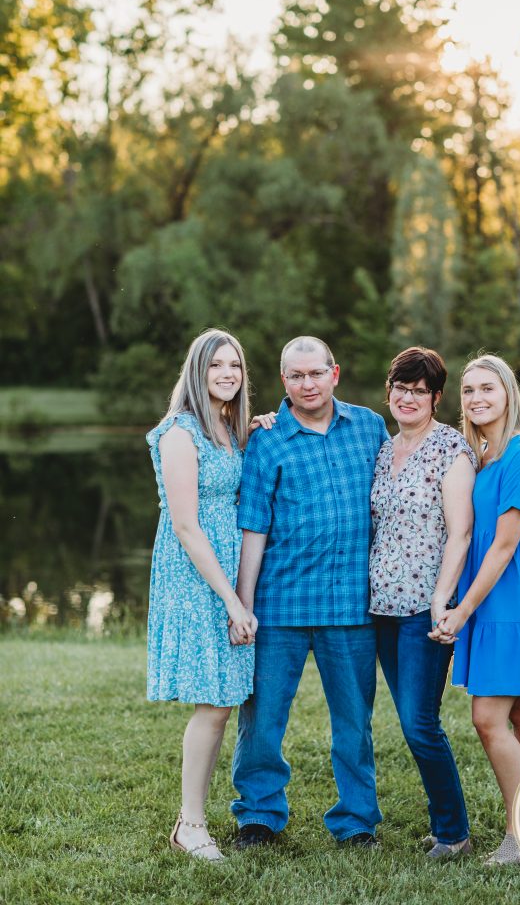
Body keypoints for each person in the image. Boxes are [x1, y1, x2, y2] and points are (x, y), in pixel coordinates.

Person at [231, 335, 390, 848]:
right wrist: (244, 604)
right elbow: (253, 527)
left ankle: (356, 820)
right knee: (262, 720)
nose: (307, 384)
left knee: (354, 724)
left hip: (351, 606)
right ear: (284, 382)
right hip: (280, 604)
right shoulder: (267, 439)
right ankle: (258, 813)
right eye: (296, 376)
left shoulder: (369, 427)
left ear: (334, 373)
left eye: (315, 374)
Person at [430, 354, 520, 866]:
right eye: (468, 391)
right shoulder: (484, 454)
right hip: (497, 598)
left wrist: (462, 608)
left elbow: (505, 546)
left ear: (508, 393)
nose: (476, 399)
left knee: (489, 717)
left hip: (515, 598)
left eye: (487, 389)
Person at [146, 328, 272, 862]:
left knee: (222, 700)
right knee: (215, 702)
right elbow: (186, 526)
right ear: (196, 372)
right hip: (197, 576)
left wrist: (253, 430)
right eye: (216, 365)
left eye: (235, 366)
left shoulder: (224, 427)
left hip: (224, 574)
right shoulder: (180, 431)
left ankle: (192, 820)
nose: (227, 374)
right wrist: (232, 600)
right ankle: (190, 825)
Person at [369, 347, 477, 860]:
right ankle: (445, 825)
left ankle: (454, 833)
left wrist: (441, 600)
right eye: (400, 388)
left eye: (419, 390)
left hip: (424, 610)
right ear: (389, 391)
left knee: (419, 722)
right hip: (381, 609)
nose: (407, 397)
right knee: (413, 720)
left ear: (435, 398)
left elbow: (461, 533)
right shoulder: (383, 450)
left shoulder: (450, 450)